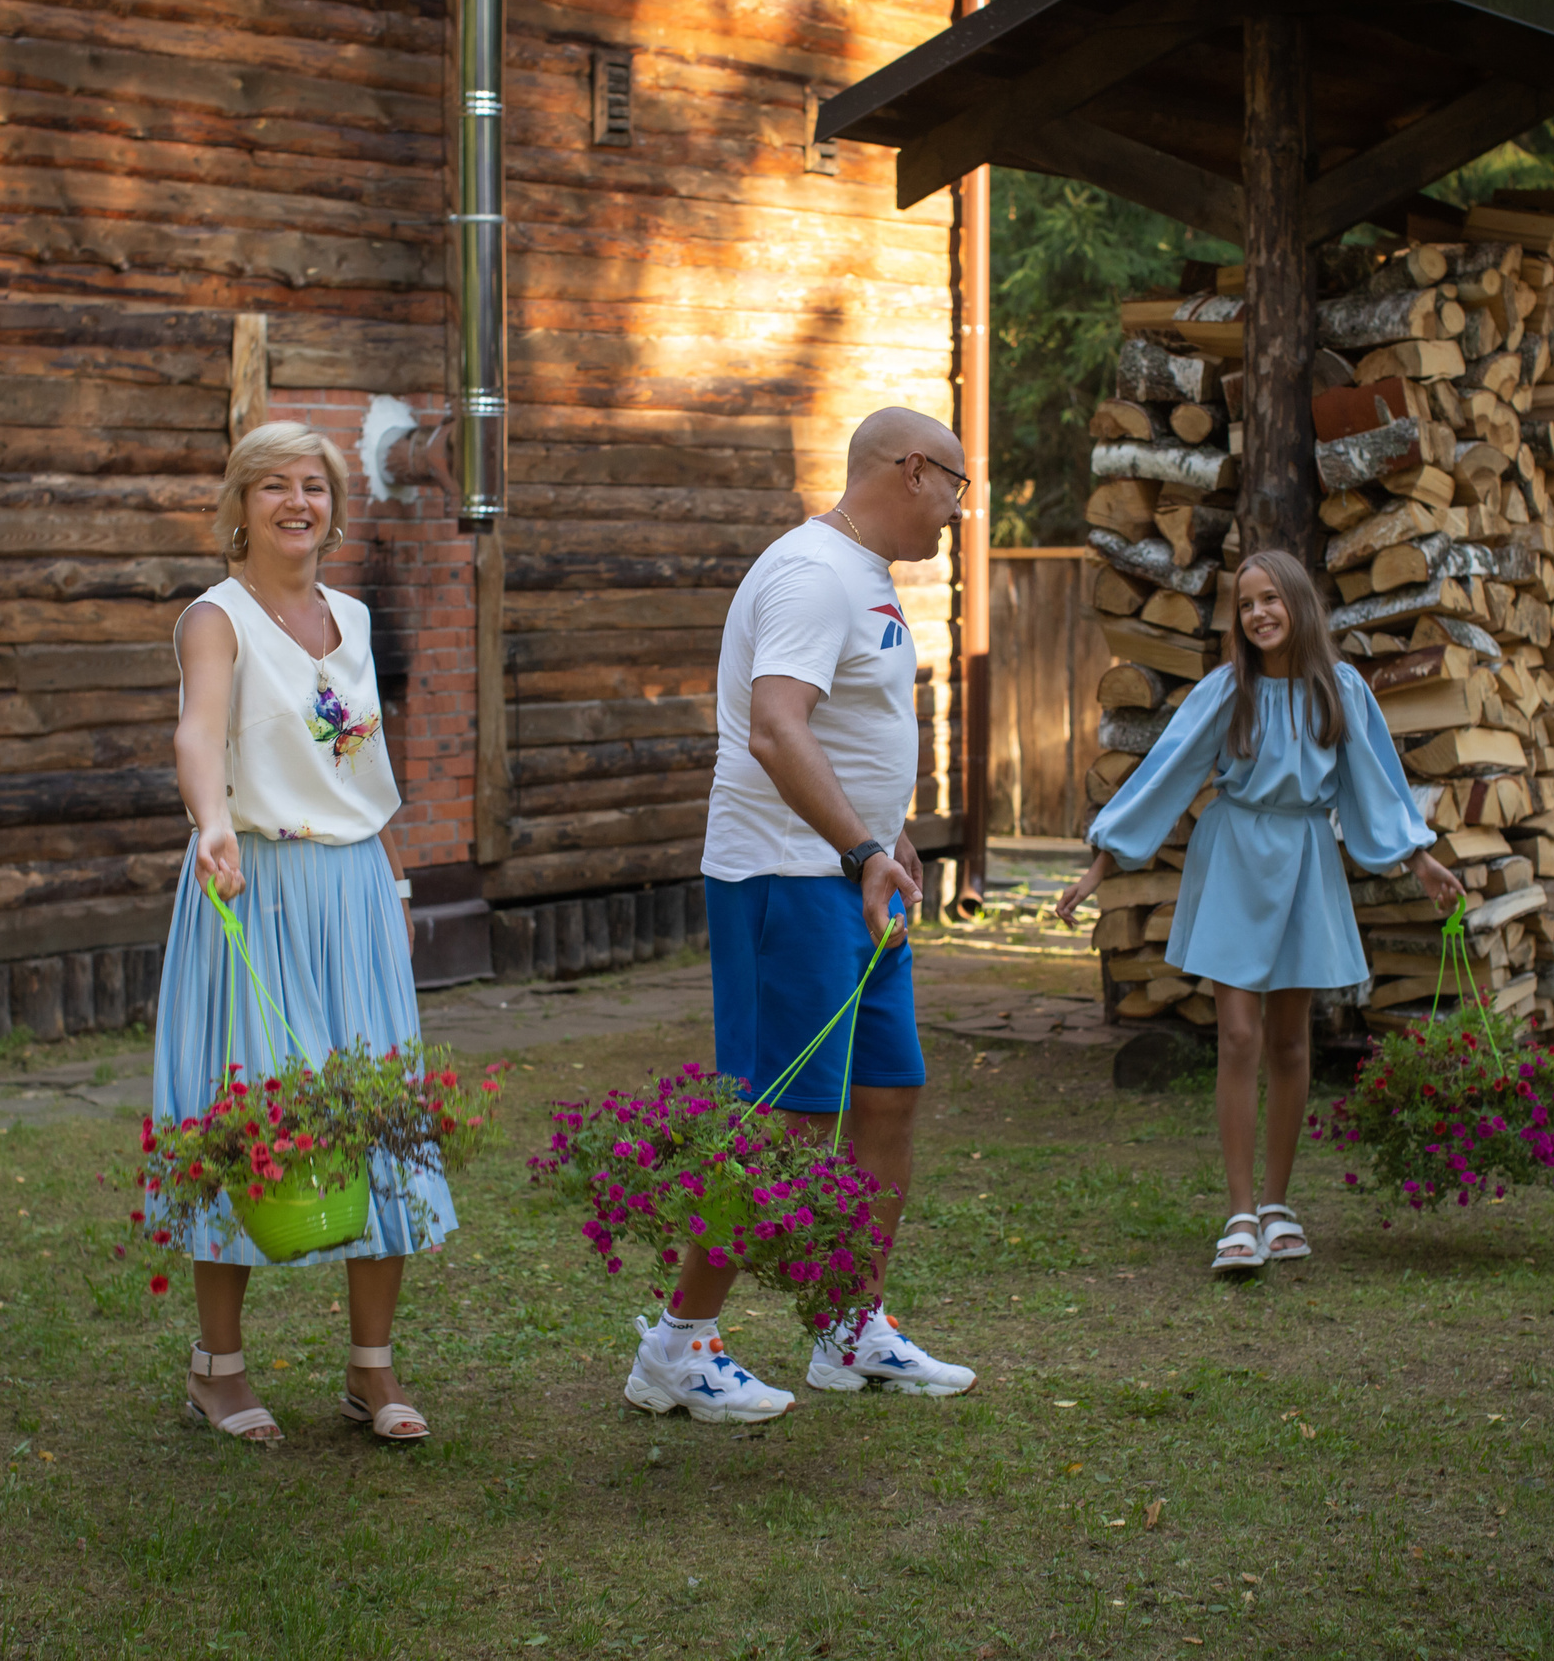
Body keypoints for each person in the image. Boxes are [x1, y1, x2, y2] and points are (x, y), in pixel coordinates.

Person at [620, 406, 979, 1423]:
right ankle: (677, 1348)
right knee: (782, 1119)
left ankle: (846, 1325)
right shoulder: (812, 574)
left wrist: (883, 833)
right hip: (788, 876)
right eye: (956, 485)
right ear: (912, 469)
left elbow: (837, 728)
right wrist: (859, 845)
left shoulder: (864, 578)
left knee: (887, 1094)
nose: (959, 510)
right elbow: (775, 728)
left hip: (854, 873)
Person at [158, 421, 455, 1444]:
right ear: (240, 505)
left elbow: (364, 772)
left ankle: (371, 1371)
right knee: (249, 1115)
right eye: (274, 485)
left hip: (356, 890)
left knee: (380, 1119)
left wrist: (399, 884)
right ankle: (218, 1368)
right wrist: (210, 825)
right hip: (256, 885)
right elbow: (199, 731)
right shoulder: (217, 618)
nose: (298, 503)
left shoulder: (356, 619)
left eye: (315, 487)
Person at [1054, 549, 1463, 1273]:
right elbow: (1166, 773)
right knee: (1238, 1034)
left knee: (1291, 1041)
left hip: (1306, 857)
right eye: (1246, 604)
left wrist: (1420, 858)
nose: (1260, 613)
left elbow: (1375, 782)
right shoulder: (1226, 690)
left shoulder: (1340, 690)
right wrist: (1101, 864)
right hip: (1235, 856)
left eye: (1271, 598)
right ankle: (1240, 1212)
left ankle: (1278, 1204)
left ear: (1298, 604)